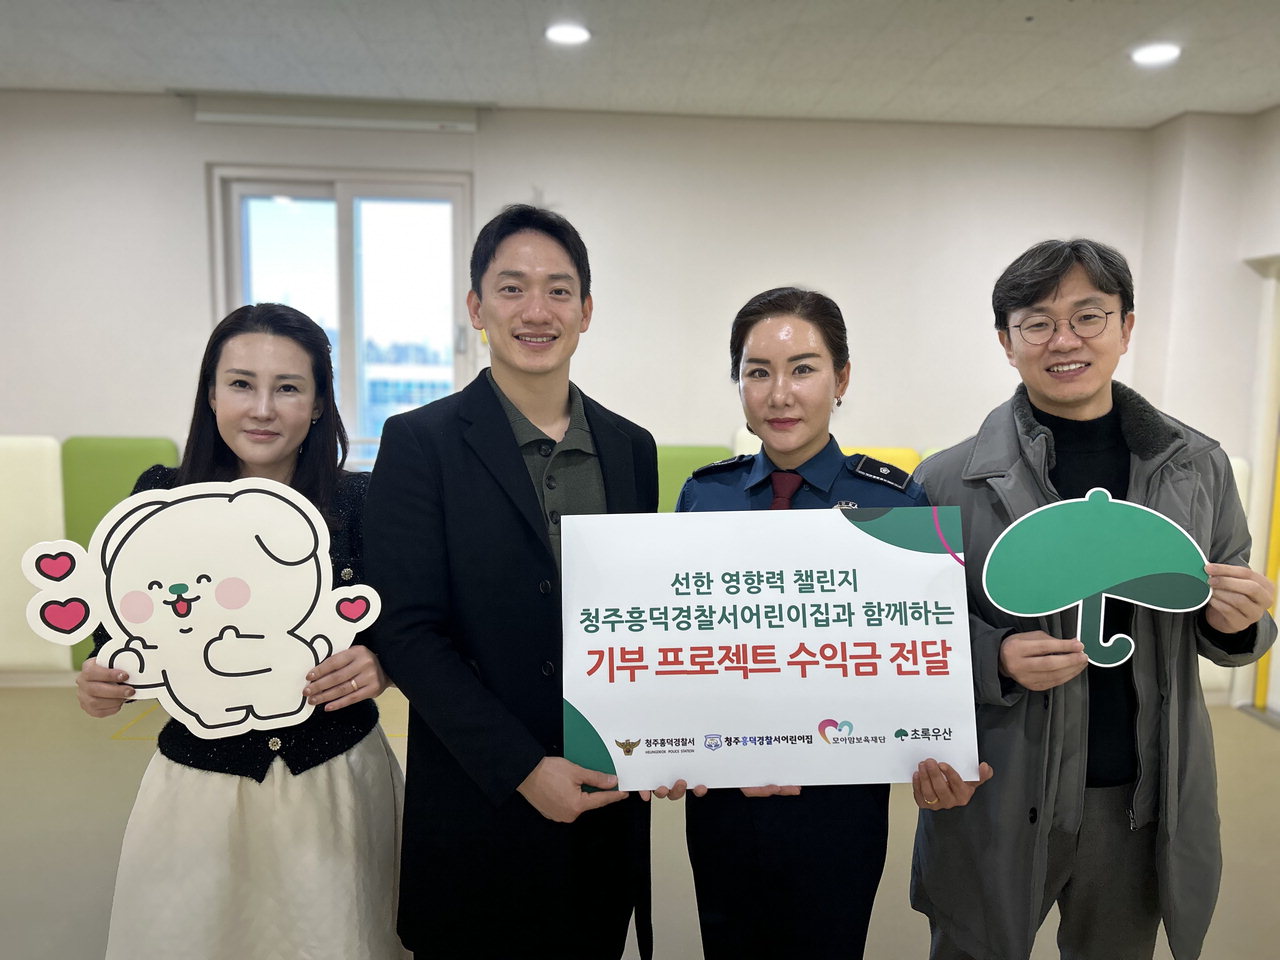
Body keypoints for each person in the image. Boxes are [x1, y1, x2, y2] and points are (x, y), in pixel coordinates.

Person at [910, 239, 1277, 960]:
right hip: (999, 786)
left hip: (1139, 797)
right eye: (1037, 323)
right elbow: (917, 635)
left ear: (1126, 327)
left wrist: (1239, 625)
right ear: (1006, 341)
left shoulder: (1196, 467)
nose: (1065, 340)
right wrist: (996, 656)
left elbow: (1230, 612)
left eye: (1088, 316)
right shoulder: (945, 481)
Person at [363, 204, 657, 959]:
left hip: (602, 807)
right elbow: (407, 632)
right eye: (512, 288)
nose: (536, 311)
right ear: (476, 307)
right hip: (477, 803)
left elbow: (639, 618)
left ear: (586, 311)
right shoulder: (419, 443)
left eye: (559, 290)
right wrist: (523, 769)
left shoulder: (631, 448)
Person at [75, 303, 404, 960]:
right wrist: (100, 679)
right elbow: (118, 640)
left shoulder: (361, 501)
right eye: (241, 384)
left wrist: (384, 664)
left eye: (288, 388)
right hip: (199, 787)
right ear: (211, 393)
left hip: (336, 781)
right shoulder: (158, 498)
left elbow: (404, 626)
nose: (262, 408)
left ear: (319, 404)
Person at [671, 286, 991, 960]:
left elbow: (920, 652)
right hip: (724, 798)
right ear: (738, 383)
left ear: (841, 378)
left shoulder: (893, 503)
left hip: (839, 800)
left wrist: (942, 745)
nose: (780, 394)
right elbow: (683, 642)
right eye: (758, 372)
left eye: (803, 369)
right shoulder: (704, 495)